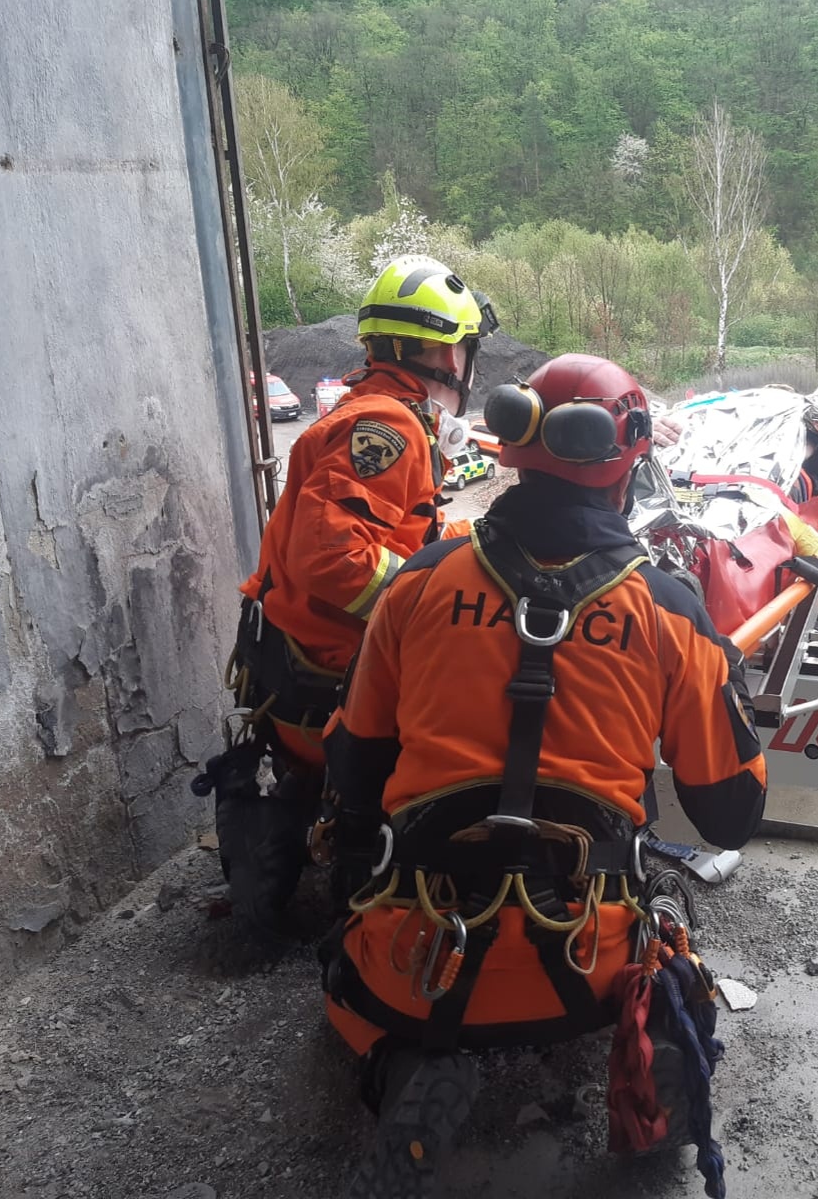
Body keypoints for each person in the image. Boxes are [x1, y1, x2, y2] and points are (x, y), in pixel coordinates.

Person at [318, 353, 767, 1198]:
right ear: (628, 462)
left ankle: (395, 1067)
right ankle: (653, 1044)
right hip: (585, 962)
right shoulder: (670, 610)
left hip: (419, 956)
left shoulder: (416, 586)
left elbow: (353, 767)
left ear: (513, 449)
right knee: (666, 947)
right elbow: (731, 813)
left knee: (342, 976)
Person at [195, 255, 496, 929]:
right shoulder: (387, 429)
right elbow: (337, 560)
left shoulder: (377, 416)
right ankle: (370, 910)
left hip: (295, 667)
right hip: (332, 678)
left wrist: (458, 538)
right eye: (465, 348)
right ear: (442, 351)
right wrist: (434, 596)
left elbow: (382, 526)